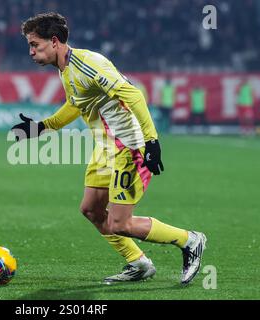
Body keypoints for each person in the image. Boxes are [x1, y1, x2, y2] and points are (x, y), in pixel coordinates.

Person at [11, 13, 206, 285]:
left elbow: (133, 94)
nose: (31, 52)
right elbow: (77, 104)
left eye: (35, 45)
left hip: (129, 147)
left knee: (119, 223)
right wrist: (42, 127)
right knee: (91, 209)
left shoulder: (89, 64)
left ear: (54, 41)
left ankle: (189, 240)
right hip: (105, 150)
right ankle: (139, 263)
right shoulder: (65, 68)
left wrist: (151, 141)